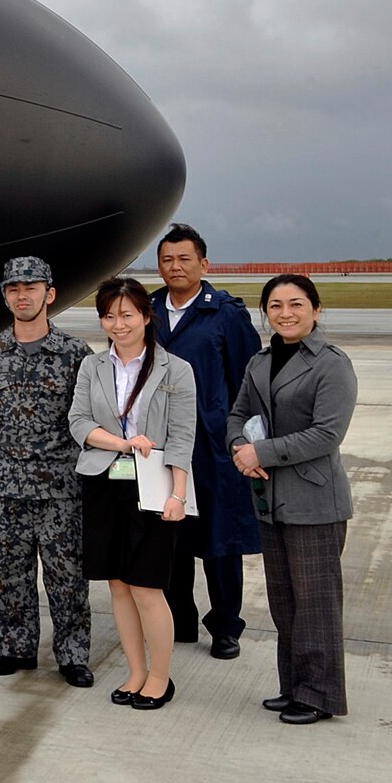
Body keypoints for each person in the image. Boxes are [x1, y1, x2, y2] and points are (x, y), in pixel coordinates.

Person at [227, 275, 358, 725]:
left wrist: (259, 452)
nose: (285, 313)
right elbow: (238, 414)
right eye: (276, 305)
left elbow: (328, 433)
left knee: (316, 602)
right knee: (285, 602)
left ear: (316, 309)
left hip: (315, 501)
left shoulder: (331, 364)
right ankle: (294, 686)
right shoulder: (260, 362)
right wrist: (236, 451)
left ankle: (320, 695)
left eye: (296, 304)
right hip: (269, 498)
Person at [0, 256, 94, 686]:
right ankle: (15, 648)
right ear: (5, 296)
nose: (23, 295)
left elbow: (90, 413)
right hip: (5, 486)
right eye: (14, 289)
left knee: (66, 577)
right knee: (7, 573)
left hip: (61, 488)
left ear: (49, 294)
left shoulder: (76, 354)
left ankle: (73, 655)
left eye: (31, 287)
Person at [69, 278, 196, 711]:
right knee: (118, 586)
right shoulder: (93, 367)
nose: (117, 324)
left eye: (126, 314)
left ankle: (160, 677)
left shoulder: (175, 369)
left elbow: (182, 438)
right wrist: (120, 443)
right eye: (109, 315)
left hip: (153, 486)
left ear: (145, 316)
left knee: (147, 587)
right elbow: (79, 422)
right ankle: (136, 672)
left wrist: (177, 495)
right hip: (104, 481)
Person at [153, 223, 263, 658]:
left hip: (213, 447)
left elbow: (247, 382)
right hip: (161, 445)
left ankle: (225, 627)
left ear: (204, 263)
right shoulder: (146, 310)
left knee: (220, 542)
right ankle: (179, 620)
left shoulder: (227, 314)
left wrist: (241, 440)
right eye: (167, 259)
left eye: (184, 258)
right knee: (169, 536)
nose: (175, 266)